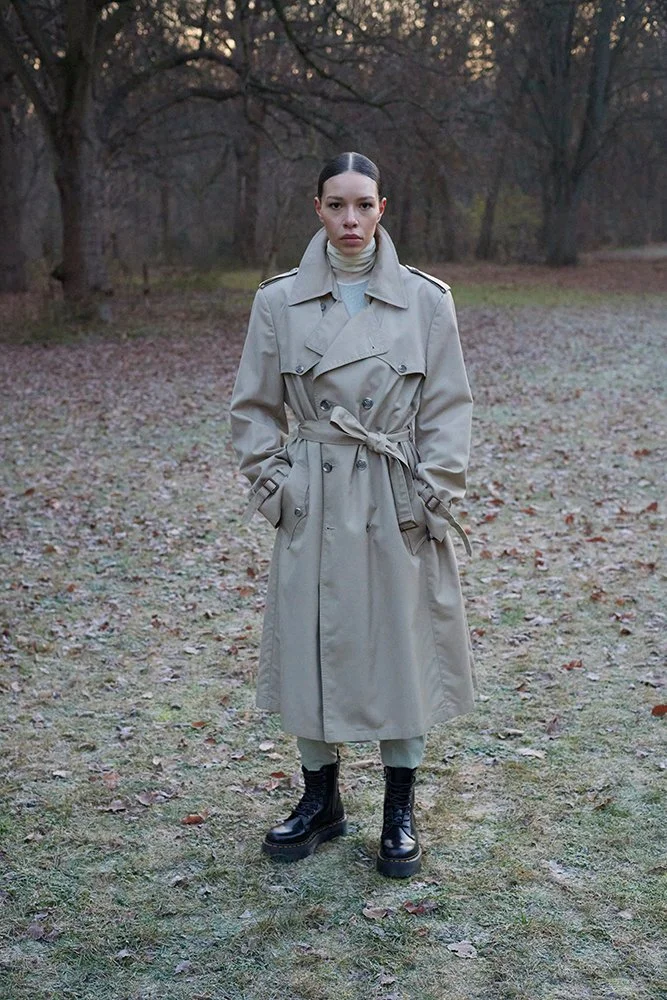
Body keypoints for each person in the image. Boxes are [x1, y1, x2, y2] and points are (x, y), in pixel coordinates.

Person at [230, 151, 475, 878]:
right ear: (317, 209)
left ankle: (399, 807)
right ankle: (320, 800)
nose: (350, 219)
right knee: (313, 642)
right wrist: (276, 487)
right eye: (336, 204)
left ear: (382, 209)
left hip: (395, 494)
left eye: (363, 205)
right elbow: (252, 407)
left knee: (401, 645)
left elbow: (448, 407)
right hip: (315, 494)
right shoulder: (277, 302)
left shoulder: (426, 300)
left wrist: (433, 494)